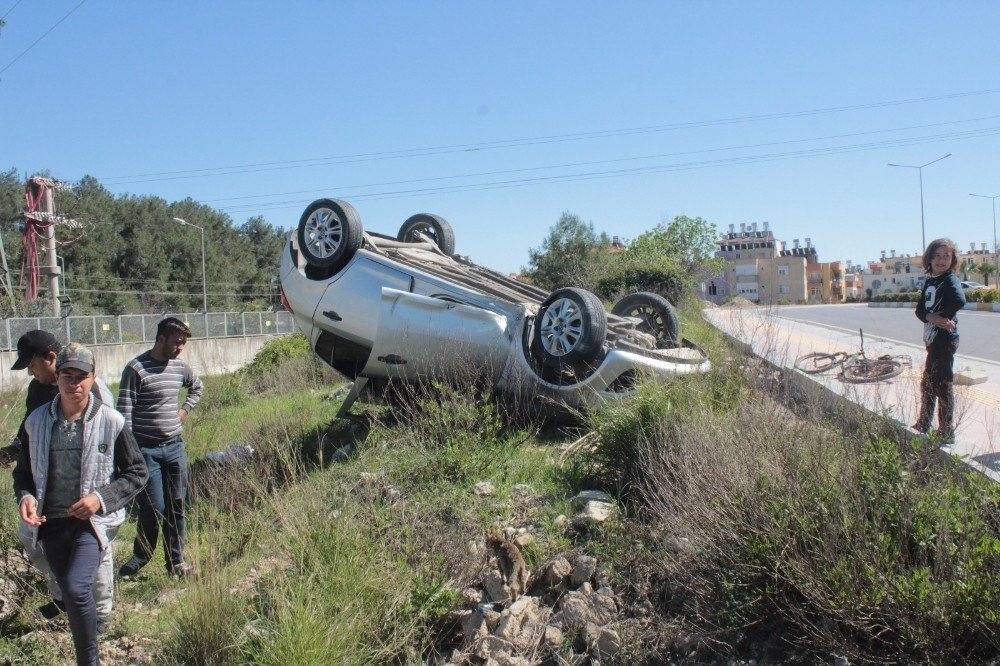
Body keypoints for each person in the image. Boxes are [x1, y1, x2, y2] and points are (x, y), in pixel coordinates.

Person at [13, 343, 147, 666]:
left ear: (93, 377)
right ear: (57, 377)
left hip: (91, 524)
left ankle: (89, 659)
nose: (74, 384)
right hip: (51, 524)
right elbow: (24, 474)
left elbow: (136, 472)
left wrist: (99, 499)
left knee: (75, 588)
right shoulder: (36, 422)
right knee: (72, 594)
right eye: (67, 376)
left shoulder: (111, 421)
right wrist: (26, 497)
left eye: (81, 377)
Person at [1, 331, 118, 628]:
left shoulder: (95, 390)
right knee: (33, 538)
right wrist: (15, 448)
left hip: (89, 492)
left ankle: (100, 617)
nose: (30, 372)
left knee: (97, 551)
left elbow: (112, 439)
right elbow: (29, 430)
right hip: (48, 491)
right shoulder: (37, 389)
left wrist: (103, 495)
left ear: (50, 358)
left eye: (32, 364)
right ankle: (62, 597)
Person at [117, 317, 203, 579]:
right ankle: (140, 557)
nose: (180, 348)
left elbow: (197, 388)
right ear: (161, 339)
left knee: (177, 506)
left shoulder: (180, 367)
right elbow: (125, 415)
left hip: (174, 448)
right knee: (154, 509)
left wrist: (183, 411)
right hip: (146, 452)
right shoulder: (136, 369)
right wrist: (128, 455)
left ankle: (176, 563)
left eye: (183, 344)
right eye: (176, 342)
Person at [913, 237, 966, 441]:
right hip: (933, 340)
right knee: (928, 383)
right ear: (929, 258)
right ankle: (924, 423)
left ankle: (946, 430)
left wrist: (943, 318)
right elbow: (920, 310)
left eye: (946, 256)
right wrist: (931, 317)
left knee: (943, 384)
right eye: (937, 256)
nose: (941, 260)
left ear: (952, 260)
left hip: (945, 340)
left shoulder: (950, 279)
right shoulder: (930, 281)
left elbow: (959, 300)